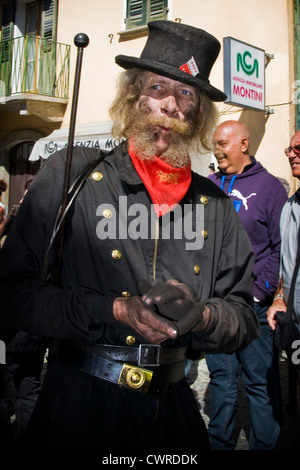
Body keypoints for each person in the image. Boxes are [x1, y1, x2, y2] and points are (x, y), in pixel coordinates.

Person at [0, 21, 260, 452]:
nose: (171, 105)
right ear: (134, 95)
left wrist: (204, 318)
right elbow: (10, 293)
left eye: (186, 94)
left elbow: (244, 316)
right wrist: (114, 309)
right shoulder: (75, 175)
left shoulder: (214, 204)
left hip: (172, 418)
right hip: (77, 411)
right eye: (159, 87)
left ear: (197, 115)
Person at [205, 120, 288, 450]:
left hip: (253, 305)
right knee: (221, 379)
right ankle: (219, 443)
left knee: (258, 383)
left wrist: (260, 291)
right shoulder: (208, 185)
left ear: (243, 144)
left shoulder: (270, 188)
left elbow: (281, 247)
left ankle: (264, 445)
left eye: (223, 143)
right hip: (216, 305)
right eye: (215, 143)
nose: (217, 149)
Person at [0, 179, 47, 446]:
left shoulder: (14, 251)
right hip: (33, 330)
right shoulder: (51, 232)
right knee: (29, 388)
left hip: (10, 331)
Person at [267, 130, 300, 393]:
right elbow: (285, 260)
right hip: (296, 323)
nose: (291, 154)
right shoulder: (290, 207)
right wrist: (279, 296)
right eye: (289, 149)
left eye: (298, 148)